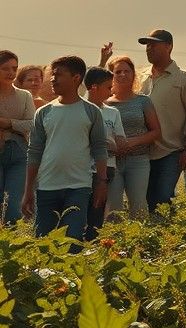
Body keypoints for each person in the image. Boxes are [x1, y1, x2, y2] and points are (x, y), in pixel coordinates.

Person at [22, 56, 107, 245]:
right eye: (52, 75)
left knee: (72, 241)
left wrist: (101, 183)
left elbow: (100, 149)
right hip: (46, 187)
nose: (52, 79)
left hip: (79, 188)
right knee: (44, 244)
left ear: (76, 78)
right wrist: (28, 190)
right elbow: (34, 151)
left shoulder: (92, 112)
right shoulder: (43, 112)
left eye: (58, 75)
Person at [137, 30, 186, 214]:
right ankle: (155, 237)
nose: (149, 49)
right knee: (147, 198)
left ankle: (169, 235)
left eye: (154, 44)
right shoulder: (141, 76)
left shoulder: (182, 77)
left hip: (172, 151)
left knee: (163, 197)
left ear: (169, 46)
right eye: (147, 45)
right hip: (143, 150)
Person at [104, 55, 161, 219]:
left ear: (133, 74)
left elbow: (156, 132)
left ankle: (140, 241)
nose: (122, 75)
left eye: (126, 71)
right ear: (111, 76)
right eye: (118, 72)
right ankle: (113, 241)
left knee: (139, 205)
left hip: (138, 160)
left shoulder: (143, 101)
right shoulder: (105, 104)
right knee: (113, 208)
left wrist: (132, 142)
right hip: (112, 161)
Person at [82, 66, 126, 240]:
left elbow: (121, 144)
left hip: (106, 168)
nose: (111, 91)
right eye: (108, 87)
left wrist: (100, 142)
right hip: (79, 168)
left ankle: (92, 248)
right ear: (94, 87)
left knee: (96, 211)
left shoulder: (112, 113)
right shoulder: (79, 109)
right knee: (77, 210)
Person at [0, 51, 35, 225]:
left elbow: (31, 124)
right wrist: (17, 125)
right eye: (5, 68)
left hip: (19, 154)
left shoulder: (25, 96)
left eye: (14, 68)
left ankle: (13, 248)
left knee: (13, 206)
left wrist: (7, 123)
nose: (11, 73)